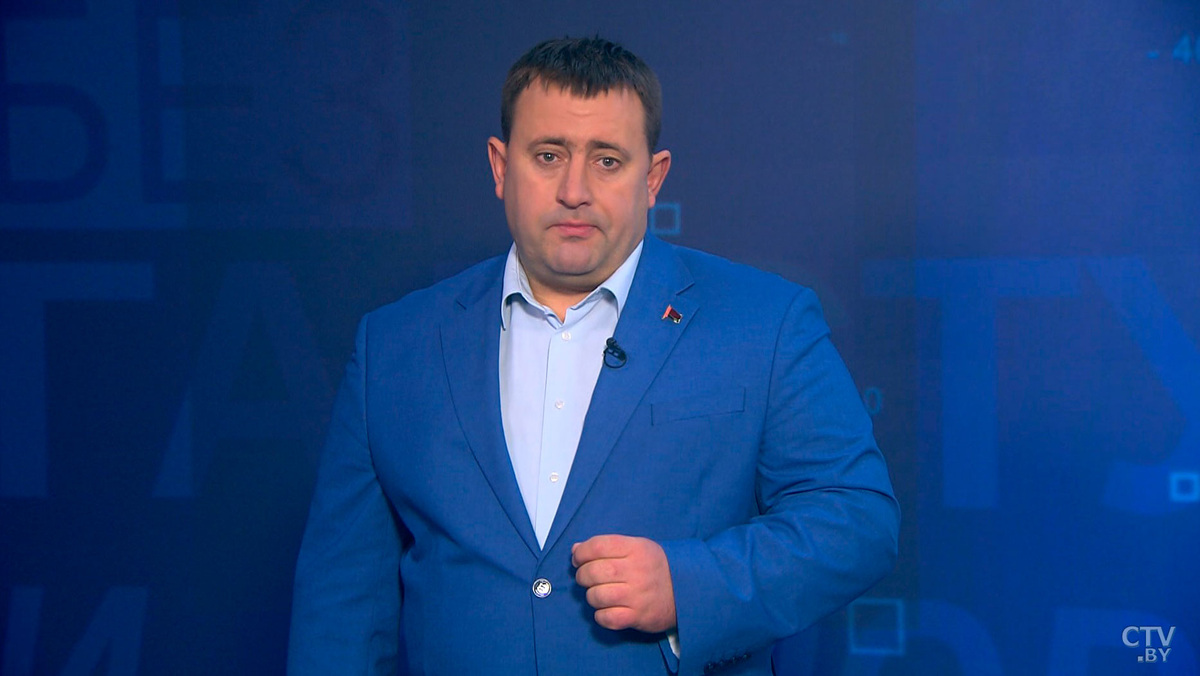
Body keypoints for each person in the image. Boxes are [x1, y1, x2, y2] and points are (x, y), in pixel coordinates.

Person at [288, 36, 899, 676]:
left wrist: (690, 587)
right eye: (548, 156)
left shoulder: (764, 322)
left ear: (652, 178)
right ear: (500, 167)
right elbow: (340, 607)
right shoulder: (393, 345)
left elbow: (856, 519)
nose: (574, 190)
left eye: (607, 161)